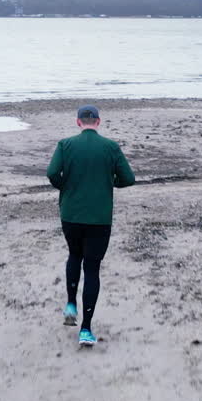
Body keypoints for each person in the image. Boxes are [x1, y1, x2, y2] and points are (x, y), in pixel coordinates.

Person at [46, 104, 135, 347]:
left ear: (78, 122)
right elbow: (129, 179)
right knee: (92, 269)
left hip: (71, 215)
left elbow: (52, 173)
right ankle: (85, 329)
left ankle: (70, 303)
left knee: (74, 255)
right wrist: (109, 181)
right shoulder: (110, 147)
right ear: (98, 121)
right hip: (99, 218)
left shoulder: (65, 145)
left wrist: (65, 186)